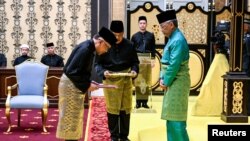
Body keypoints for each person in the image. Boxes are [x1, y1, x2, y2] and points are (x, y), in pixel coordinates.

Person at [56, 27, 117, 141]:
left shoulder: (88, 47)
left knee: (73, 122)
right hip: (71, 86)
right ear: (100, 41)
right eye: (107, 47)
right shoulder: (86, 49)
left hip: (72, 85)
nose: (106, 50)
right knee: (70, 122)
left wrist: (89, 82)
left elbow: (79, 71)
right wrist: (88, 85)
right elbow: (73, 73)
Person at [95, 20, 139, 141]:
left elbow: (135, 62)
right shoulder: (105, 45)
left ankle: (124, 136)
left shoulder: (129, 45)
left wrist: (135, 71)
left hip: (126, 80)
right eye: (115, 35)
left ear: (123, 33)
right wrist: (103, 72)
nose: (118, 37)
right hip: (111, 80)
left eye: (120, 34)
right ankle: (114, 136)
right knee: (113, 110)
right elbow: (97, 64)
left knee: (125, 109)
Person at [156, 10, 190, 141]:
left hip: (178, 81)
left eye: (163, 27)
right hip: (172, 81)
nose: (162, 30)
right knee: (171, 117)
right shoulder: (173, 38)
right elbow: (166, 63)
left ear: (171, 25)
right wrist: (162, 78)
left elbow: (174, 65)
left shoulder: (178, 40)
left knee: (177, 119)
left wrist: (165, 81)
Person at [191, 31, 229, 116]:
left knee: (207, 84)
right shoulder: (221, 56)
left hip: (219, 60)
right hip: (220, 59)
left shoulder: (220, 58)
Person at [131, 16, 156, 109]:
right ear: (138, 24)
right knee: (138, 80)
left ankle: (145, 102)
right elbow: (132, 50)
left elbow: (153, 48)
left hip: (147, 58)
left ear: (146, 24)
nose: (142, 25)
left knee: (146, 80)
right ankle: (138, 102)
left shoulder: (150, 35)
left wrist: (153, 59)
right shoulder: (134, 36)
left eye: (144, 23)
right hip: (137, 58)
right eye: (141, 23)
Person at [243, 18, 250, 115]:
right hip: (246, 65)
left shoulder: (248, 39)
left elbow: (248, 54)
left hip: (247, 66)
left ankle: (247, 110)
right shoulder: (246, 37)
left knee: (247, 89)